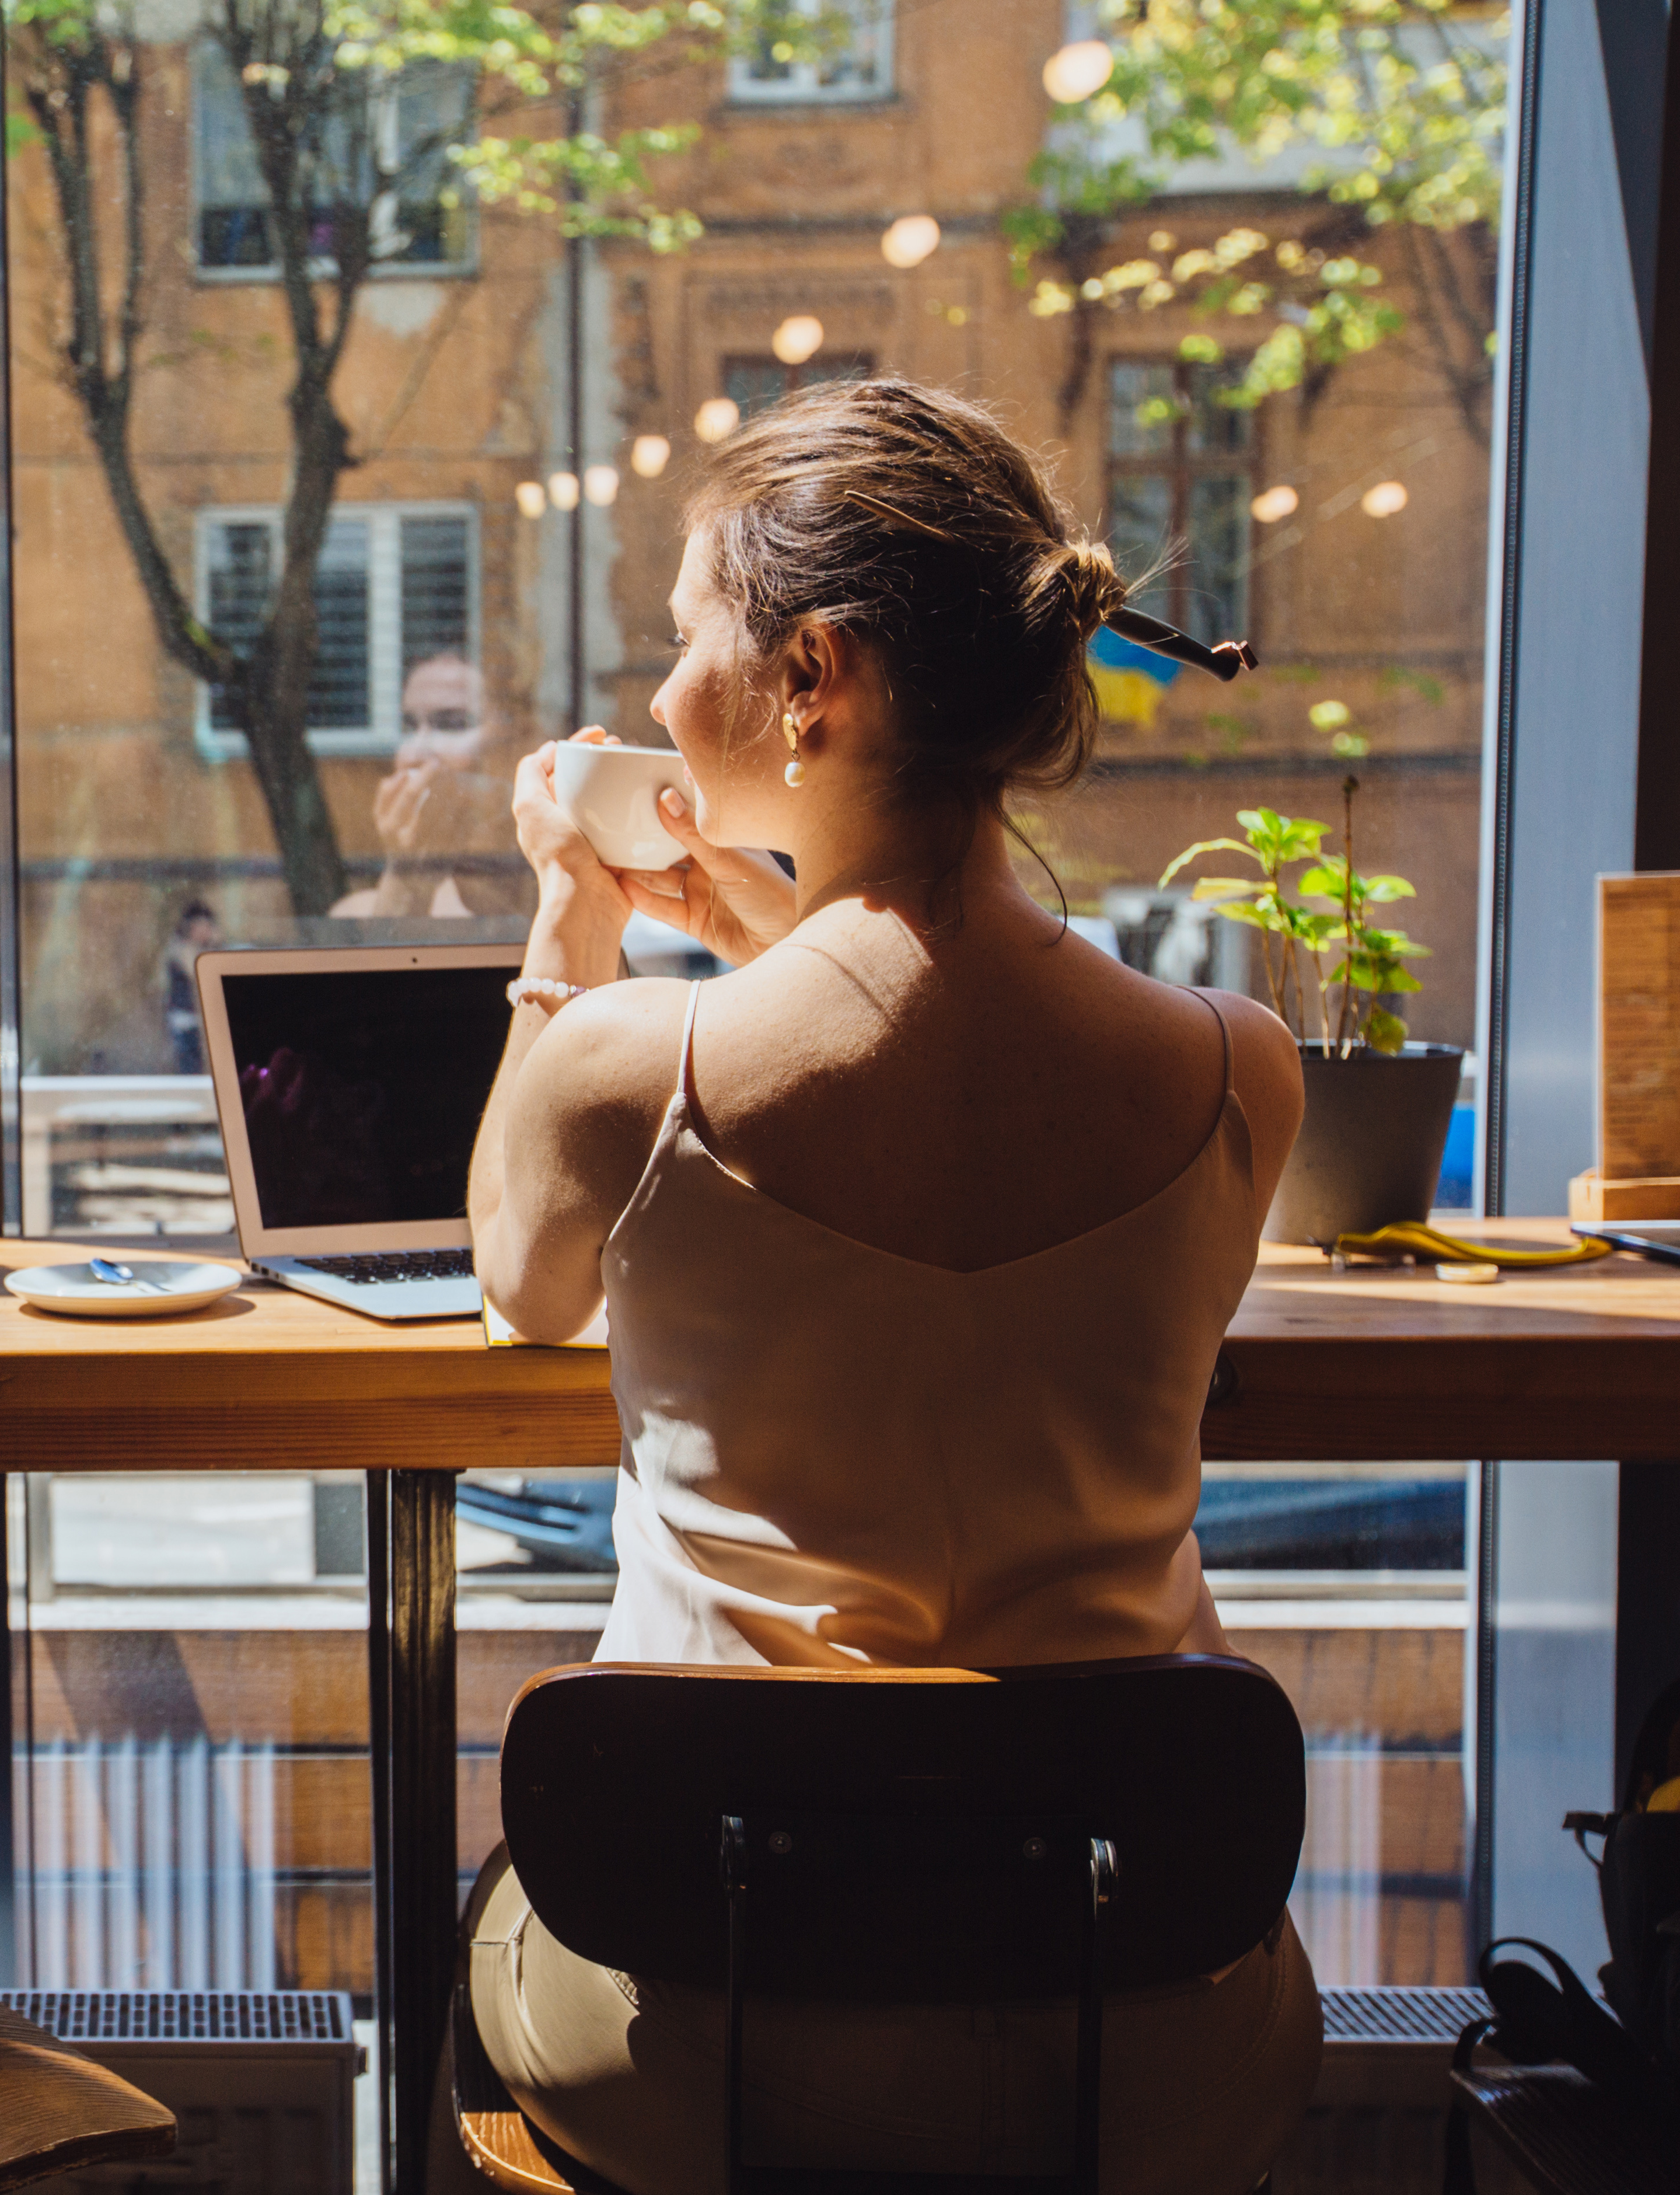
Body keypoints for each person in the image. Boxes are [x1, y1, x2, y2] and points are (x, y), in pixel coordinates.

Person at [456, 380, 1314, 2195]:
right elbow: (955, 1086)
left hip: (714, 2028)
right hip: (1132, 2034)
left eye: (684, 631)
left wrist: (567, 924)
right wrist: (772, 934)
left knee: (484, 1916)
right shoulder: (1235, 1074)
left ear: (809, 675)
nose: (662, 685)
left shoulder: (628, 1067)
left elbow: (518, 1281)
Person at [330, 653, 533, 922]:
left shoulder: (557, 888)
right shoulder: (357, 914)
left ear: (513, 742)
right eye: (409, 727)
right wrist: (406, 880)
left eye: (451, 724)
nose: (415, 753)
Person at [160, 901, 221, 1072]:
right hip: (185, 1020)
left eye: (208, 927)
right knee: (190, 1068)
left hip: (202, 1021)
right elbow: (196, 974)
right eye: (200, 927)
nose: (204, 931)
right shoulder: (181, 949)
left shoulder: (206, 949)